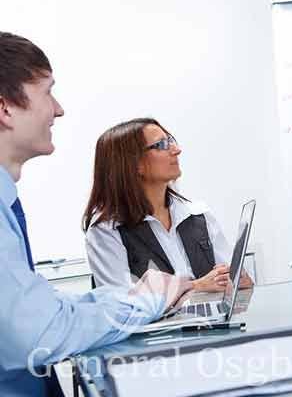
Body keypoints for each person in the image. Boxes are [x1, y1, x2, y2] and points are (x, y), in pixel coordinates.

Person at [0, 32, 190, 397]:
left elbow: (37, 308)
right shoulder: (105, 228)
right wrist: (148, 299)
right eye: (48, 92)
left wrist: (141, 297)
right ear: (4, 107)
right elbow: (40, 330)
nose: (58, 110)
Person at [84, 118, 251, 292]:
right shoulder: (107, 230)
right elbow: (120, 301)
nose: (176, 150)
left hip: (213, 311)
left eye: (171, 141)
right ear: (133, 163)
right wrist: (196, 286)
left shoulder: (198, 214)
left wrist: (239, 280)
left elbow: (229, 277)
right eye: (161, 145)